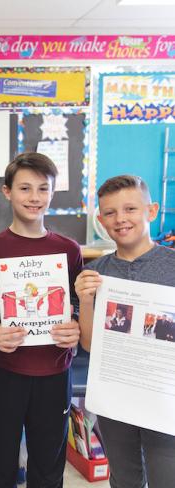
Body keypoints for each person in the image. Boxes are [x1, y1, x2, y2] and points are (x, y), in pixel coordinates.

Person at [0, 152, 82, 488]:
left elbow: (77, 306)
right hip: (4, 373)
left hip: (54, 372)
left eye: (43, 188)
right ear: (7, 192)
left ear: (52, 192)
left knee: (49, 467)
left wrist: (76, 325)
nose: (34, 197)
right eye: (25, 188)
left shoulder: (68, 250)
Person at [75, 174, 175, 488]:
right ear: (101, 219)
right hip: (115, 396)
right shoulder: (95, 272)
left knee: (165, 477)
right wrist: (85, 301)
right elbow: (89, 344)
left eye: (130, 209)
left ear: (152, 210)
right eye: (110, 213)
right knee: (125, 478)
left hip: (163, 400)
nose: (120, 219)